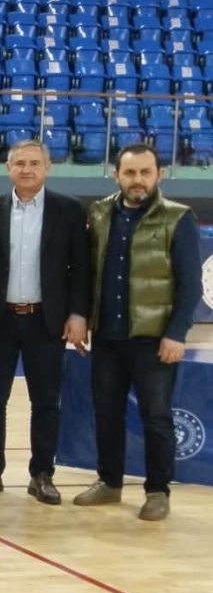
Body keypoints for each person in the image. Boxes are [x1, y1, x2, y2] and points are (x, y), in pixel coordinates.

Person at [0, 140, 90, 504]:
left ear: (47, 167)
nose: (27, 169)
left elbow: (81, 269)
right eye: (20, 163)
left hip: (46, 321)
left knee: (46, 403)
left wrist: (78, 314)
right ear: (8, 168)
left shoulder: (69, 209)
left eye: (34, 163)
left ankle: (42, 474)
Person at [74, 143, 200, 522]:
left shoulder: (178, 218)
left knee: (156, 417)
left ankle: (158, 491)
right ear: (117, 176)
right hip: (107, 336)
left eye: (145, 172)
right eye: (130, 173)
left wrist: (177, 333)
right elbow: (87, 273)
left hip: (154, 339)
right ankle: (109, 482)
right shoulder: (99, 214)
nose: (138, 180)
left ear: (159, 175)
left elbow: (190, 284)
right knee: (107, 413)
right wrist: (82, 318)